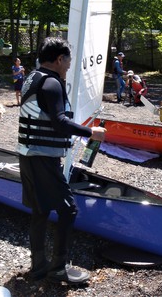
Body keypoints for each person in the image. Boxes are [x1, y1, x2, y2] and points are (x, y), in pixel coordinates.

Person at [17, 37, 106, 285]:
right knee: (68, 210)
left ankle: (38, 267)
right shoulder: (52, 83)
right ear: (59, 59)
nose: (69, 65)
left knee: (40, 210)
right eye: (68, 60)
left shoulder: (33, 78)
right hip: (42, 158)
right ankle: (57, 268)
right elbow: (59, 121)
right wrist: (91, 132)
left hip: (28, 154)